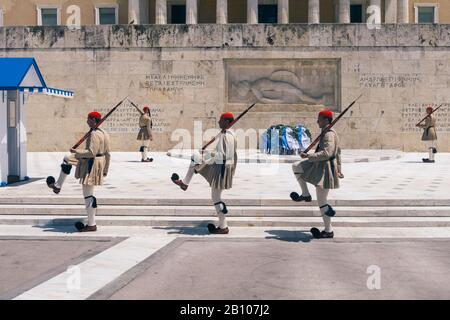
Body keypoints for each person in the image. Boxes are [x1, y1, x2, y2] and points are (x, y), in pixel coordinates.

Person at [171, 112, 238, 235]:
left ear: (227, 122)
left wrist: (207, 154)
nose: (218, 122)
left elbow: (224, 155)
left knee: (216, 197)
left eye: (221, 120)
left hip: (221, 168)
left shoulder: (227, 136)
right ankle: (223, 226)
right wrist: (207, 152)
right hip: (222, 167)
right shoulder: (228, 134)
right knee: (196, 159)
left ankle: (223, 227)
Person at [46, 111, 111, 232]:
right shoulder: (104, 133)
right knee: (67, 159)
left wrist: (76, 152)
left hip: (91, 163)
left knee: (88, 195)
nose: (87, 121)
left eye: (88, 119)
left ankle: (91, 224)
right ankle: (58, 185)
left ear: (93, 120)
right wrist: (105, 170)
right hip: (97, 162)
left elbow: (91, 153)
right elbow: (107, 154)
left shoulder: (94, 135)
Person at [290, 109, 340, 239]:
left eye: (319, 119)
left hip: (325, 169)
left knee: (322, 202)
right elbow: (338, 152)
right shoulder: (327, 133)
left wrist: (309, 156)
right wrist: (339, 169)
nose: (317, 121)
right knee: (297, 166)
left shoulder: (329, 134)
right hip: (320, 166)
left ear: (326, 120)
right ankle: (305, 194)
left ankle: (328, 231)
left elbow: (328, 153)